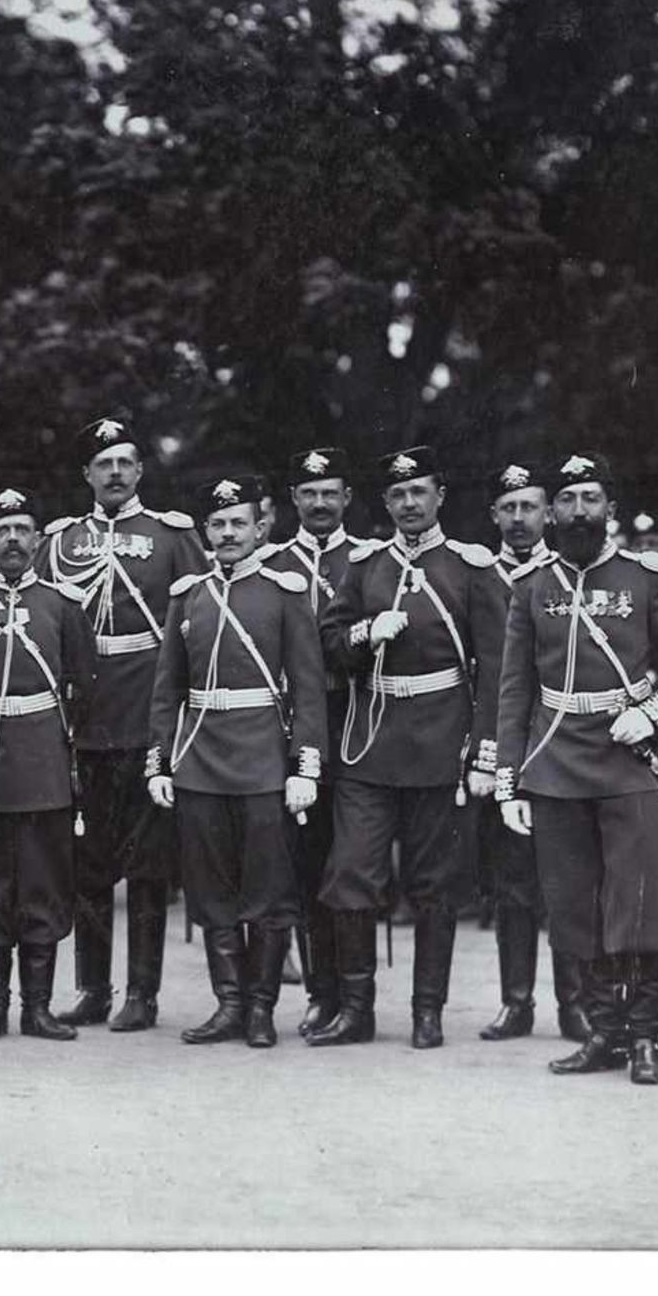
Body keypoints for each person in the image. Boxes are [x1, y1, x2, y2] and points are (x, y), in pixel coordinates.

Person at [494, 451, 658, 1086]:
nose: (577, 511)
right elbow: (514, 690)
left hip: (629, 760)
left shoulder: (647, 578)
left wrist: (653, 713)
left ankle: (646, 1038)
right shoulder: (533, 585)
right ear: (552, 511)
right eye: (566, 500)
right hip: (556, 762)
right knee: (573, 908)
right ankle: (604, 1033)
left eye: (590, 498)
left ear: (610, 510)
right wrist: (510, 777)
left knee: (641, 905)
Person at [312, 446, 506, 1049]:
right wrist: (366, 633)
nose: (408, 504)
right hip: (369, 744)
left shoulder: (469, 567)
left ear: (439, 497)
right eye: (397, 495)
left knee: (435, 885)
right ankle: (356, 1009)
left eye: (418, 492)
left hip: (441, 744)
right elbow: (327, 641)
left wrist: (485, 752)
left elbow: (498, 669)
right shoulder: (366, 566)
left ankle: (428, 1011)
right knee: (351, 875)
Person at [37, 411, 207, 1032]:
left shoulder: (171, 536)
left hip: (147, 711)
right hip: (85, 714)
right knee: (87, 860)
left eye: (124, 463)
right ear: (86, 473)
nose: (114, 472)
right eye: (102, 464)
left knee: (148, 861)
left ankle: (143, 992)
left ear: (139, 471)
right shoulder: (58, 541)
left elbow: (196, 623)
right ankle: (92, 987)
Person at [148, 474, 325, 1048]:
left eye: (238, 524)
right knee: (211, 888)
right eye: (218, 525)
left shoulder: (284, 591)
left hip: (263, 761)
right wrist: (158, 763)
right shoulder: (188, 596)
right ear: (206, 532)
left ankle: (261, 1009)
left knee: (270, 891)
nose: (228, 533)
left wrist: (306, 766)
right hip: (200, 759)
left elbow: (308, 687)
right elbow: (166, 689)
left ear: (260, 528)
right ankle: (228, 1003)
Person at [0, 486, 97, 1041]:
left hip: (45, 765)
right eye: (2, 531)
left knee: (45, 884)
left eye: (23, 530)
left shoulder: (62, 604)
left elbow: (85, 684)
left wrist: (70, 755)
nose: (13, 540)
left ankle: (38, 1008)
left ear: (38, 539)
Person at [476, 461, 590, 1043]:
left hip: (562, 745)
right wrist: (484, 757)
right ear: (494, 515)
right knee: (512, 885)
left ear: (549, 513)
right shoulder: (476, 574)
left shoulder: (572, 571)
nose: (519, 519)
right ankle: (516, 1002)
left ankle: (575, 1005)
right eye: (508, 508)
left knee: (567, 883)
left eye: (530, 507)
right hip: (503, 746)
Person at [262, 446, 365, 1036]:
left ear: (347, 499)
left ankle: (353, 992)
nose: (320, 503)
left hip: (357, 722)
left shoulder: (370, 560)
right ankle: (319, 992)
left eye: (331, 493)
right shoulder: (273, 563)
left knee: (350, 864)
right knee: (303, 862)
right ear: (293, 501)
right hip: (294, 725)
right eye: (310, 494)